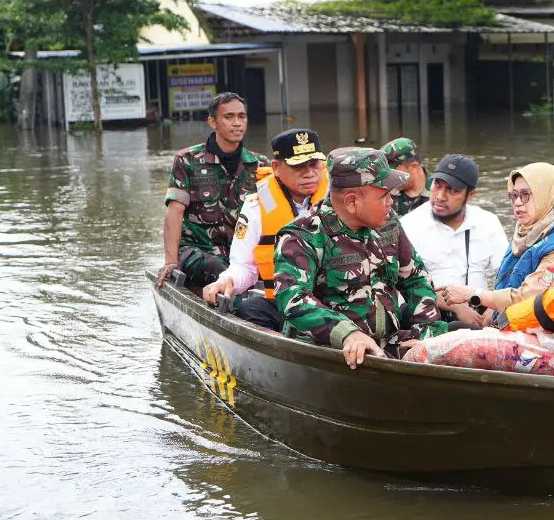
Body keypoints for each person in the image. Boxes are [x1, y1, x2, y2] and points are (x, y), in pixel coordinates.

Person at [275, 147, 448, 367]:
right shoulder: (303, 237)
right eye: (384, 195)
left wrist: (427, 334)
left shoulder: (388, 224)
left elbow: (416, 279)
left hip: (387, 345)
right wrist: (348, 334)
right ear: (352, 202)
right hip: (329, 353)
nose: (391, 202)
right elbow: (293, 300)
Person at [202, 128, 329, 330]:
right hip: (286, 303)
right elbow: (244, 266)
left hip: (333, 298)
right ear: (276, 167)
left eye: (314, 164)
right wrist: (226, 281)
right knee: (250, 309)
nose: (310, 173)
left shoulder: (338, 197)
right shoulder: (256, 206)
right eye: (299, 166)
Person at [440, 162, 554, 318]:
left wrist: (474, 294)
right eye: (514, 195)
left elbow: (529, 300)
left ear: (549, 196)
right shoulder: (527, 237)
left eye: (525, 195)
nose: (517, 202)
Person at [156, 92, 268, 288]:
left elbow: (271, 213)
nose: (237, 123)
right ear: (212, 122)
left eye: (241, 117)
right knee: (219, 269)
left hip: (243, 255)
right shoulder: (187, 161)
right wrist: (171, 262)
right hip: (198, 252)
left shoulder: (260, 165)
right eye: (228, 117)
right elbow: (174, 212)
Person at [400, 154, 509, 326]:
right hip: (428, 310)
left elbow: (507, 276)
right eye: (437, 185)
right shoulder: (409, 225)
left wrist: (492, 308)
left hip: (479, 310)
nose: (440, 196)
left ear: (470, 195)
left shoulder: (488, 222)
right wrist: (456, 308)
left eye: (453, 190)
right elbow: (401, 286)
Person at [381, 137, 431, 217]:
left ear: (413, 166)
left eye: (393, 173)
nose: (388, 178)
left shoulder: (440, 192)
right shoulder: (384, 194)